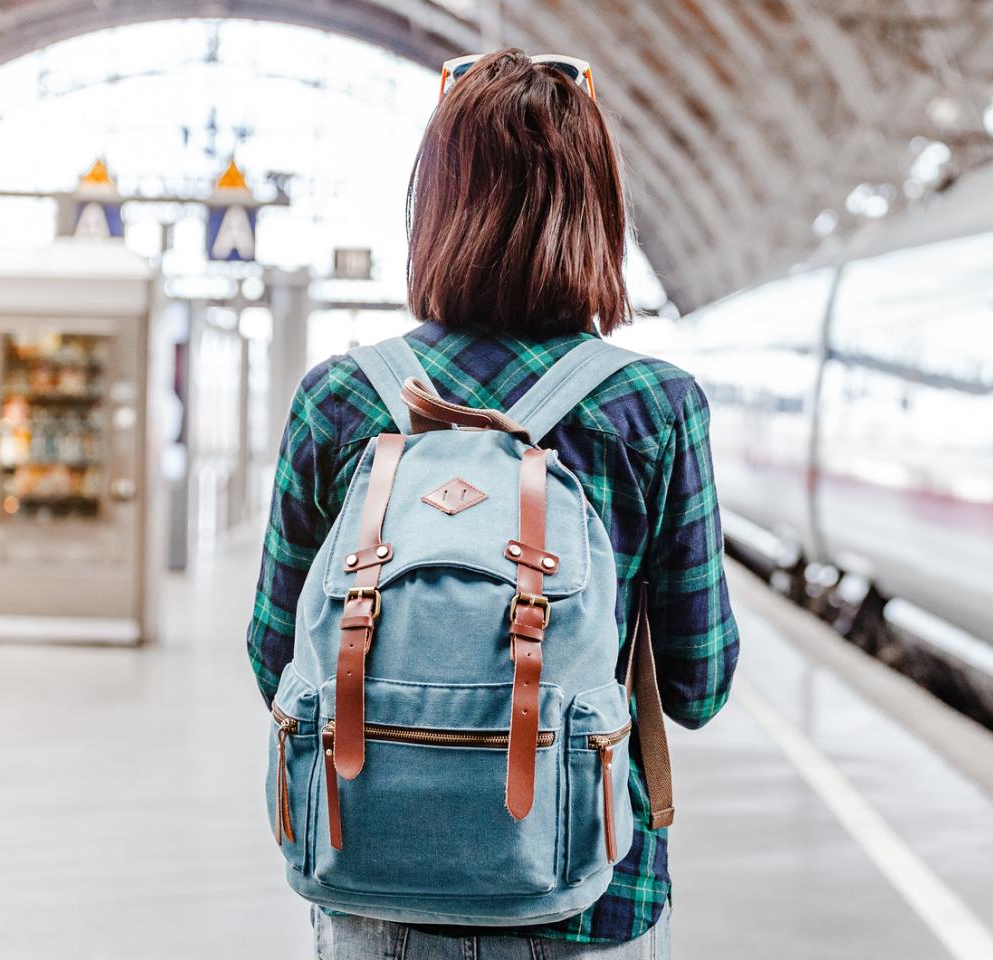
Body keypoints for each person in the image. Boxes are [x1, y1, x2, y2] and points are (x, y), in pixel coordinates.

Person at [244, 48, 740, 959]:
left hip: (374, 895)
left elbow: (273, 657)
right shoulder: (654, 408)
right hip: (591, 899)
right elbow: (699, 686)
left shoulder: (340, 399)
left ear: (433, 207)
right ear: (597, 212)